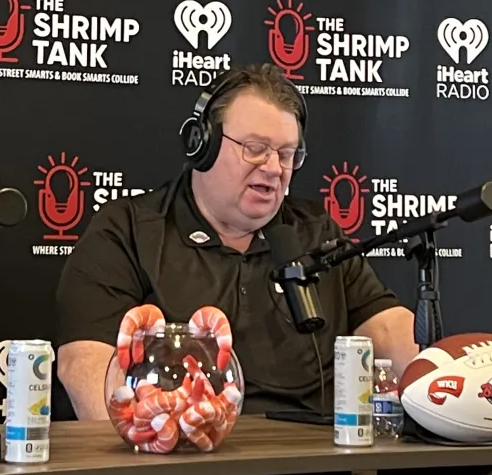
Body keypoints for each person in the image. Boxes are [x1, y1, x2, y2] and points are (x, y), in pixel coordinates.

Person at [54, 63, 419, 419]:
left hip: (317, 463)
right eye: (255, 148)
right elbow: (85, 365)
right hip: (182, 462)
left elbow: (388, 328)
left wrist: (440, 385)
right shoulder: (128, 231)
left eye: (287, 154)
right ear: (203, 144)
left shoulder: (317, 231)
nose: (274, 168)